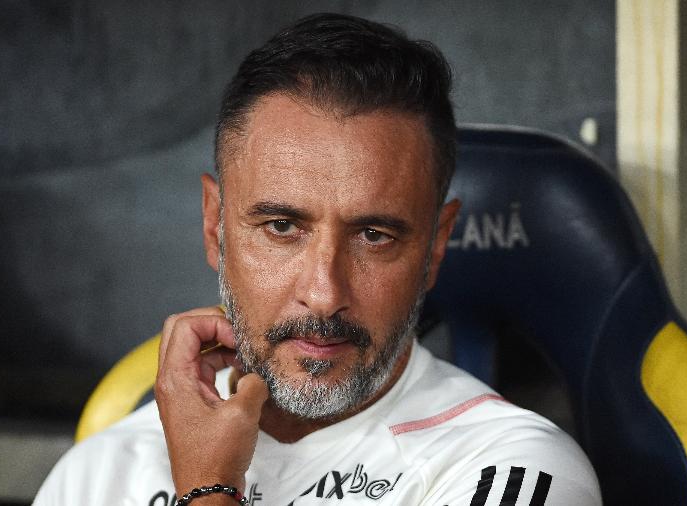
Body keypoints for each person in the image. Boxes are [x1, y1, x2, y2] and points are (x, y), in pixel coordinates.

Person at [34, 13, 601, 506]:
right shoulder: (100, 472)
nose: (325, 293)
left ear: (434, 247)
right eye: (282, 227)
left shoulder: (512, 468)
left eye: (374, 235)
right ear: (216, 226)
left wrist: (207, 489)